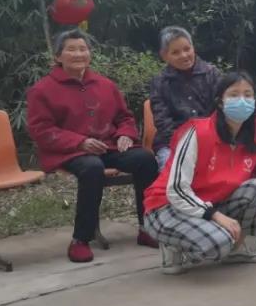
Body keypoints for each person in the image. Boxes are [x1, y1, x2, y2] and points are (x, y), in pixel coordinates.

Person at [27, 30, 160, 263]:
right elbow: (42, 130)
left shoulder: (105, 84)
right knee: (91, 167)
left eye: (83, 49)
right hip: (72, 151)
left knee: (145, 159)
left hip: (108, 146)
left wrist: (125, 134)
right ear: (58, 56)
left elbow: (125, 118)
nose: (78, 54)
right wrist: (80, 142)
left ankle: (147, 227)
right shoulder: (42, 90)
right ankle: (81, 239)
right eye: (71, 49)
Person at [143, 72, 256, 274]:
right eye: (234, 95)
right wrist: (214, 215)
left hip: (206, 204)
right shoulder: (199, 132)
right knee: (219, 244)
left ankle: (239, 250)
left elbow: (235, 184)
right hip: (166, 207)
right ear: (220, 102)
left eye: (248, 95)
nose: (242, 101)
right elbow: (176, 190)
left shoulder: (250, 141)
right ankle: (173, 245)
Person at [149, 26, 221, 168]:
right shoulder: (160, 82)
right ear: (164, 56)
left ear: (193, 48)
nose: (184, 55)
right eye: (175, 52)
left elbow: (221, 110)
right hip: (172, 143)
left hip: (211, 139)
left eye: (187, 49)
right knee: (172, 170)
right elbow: (163, 121)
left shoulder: (212, 74)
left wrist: (207, 140)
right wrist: (186, 145)